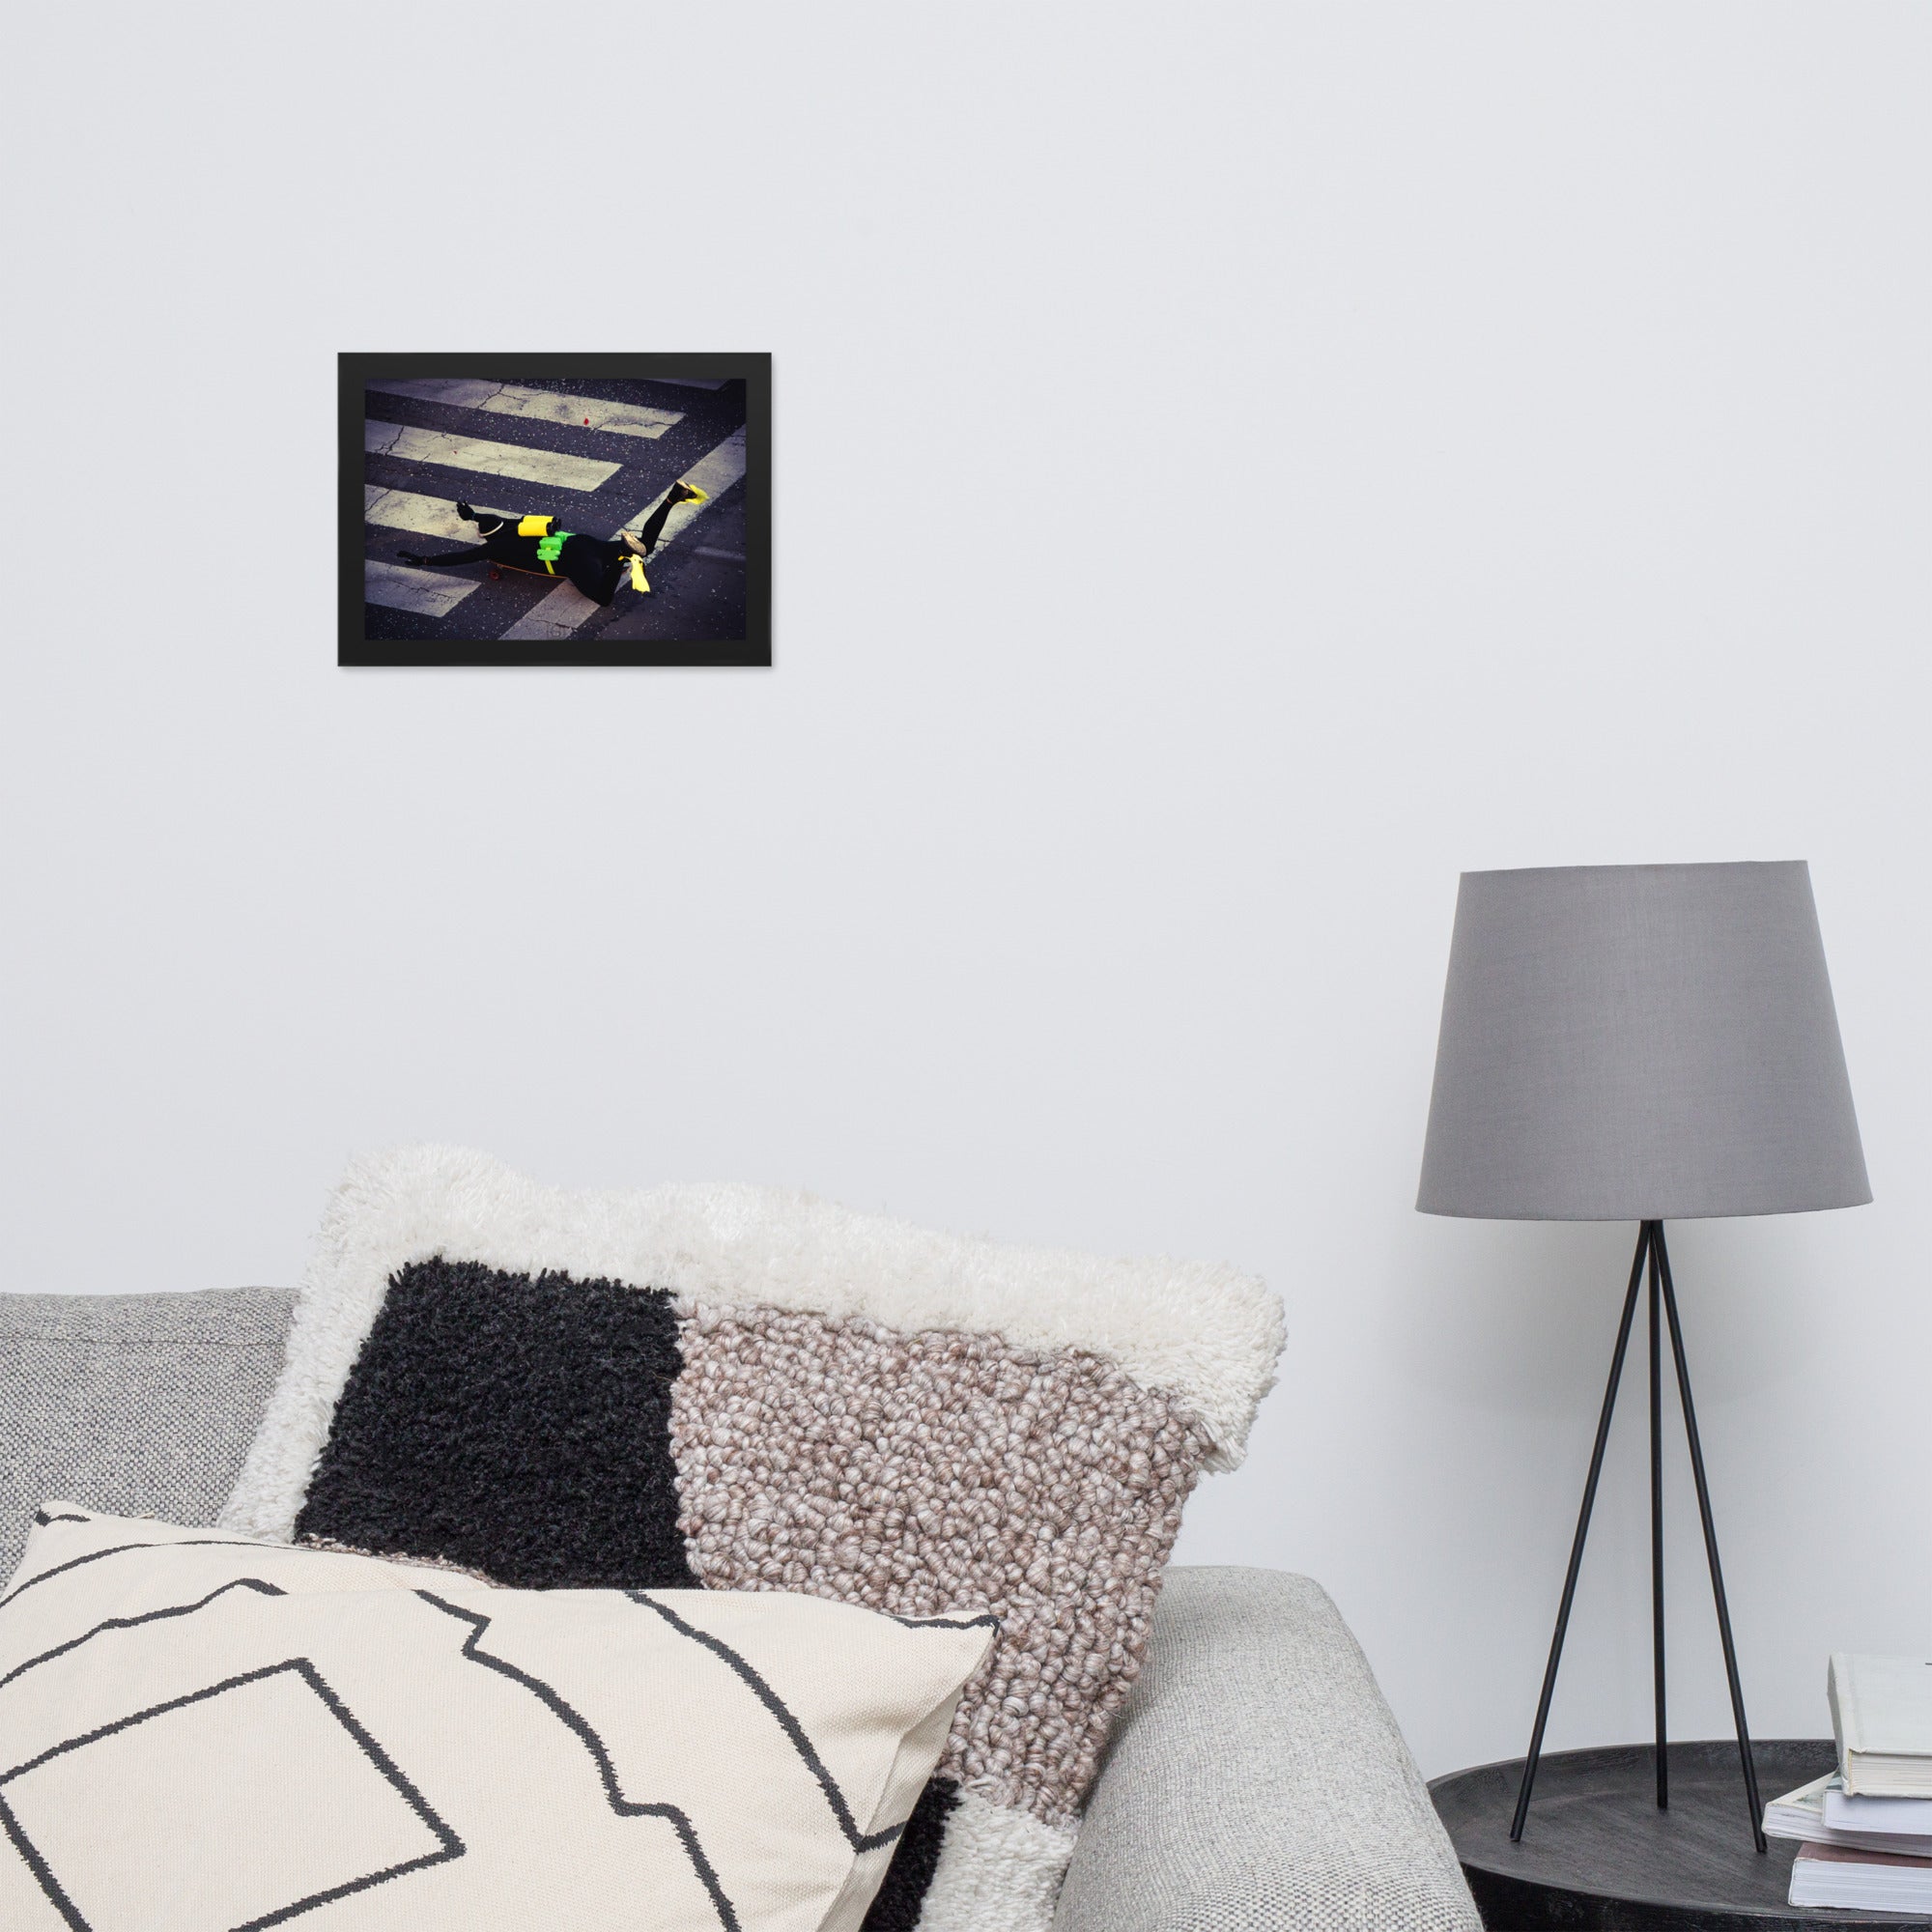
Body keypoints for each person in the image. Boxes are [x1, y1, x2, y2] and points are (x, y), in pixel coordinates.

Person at [396, 482, 707, 606]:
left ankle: (622, 558)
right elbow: (488, 519)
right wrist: (473, 514)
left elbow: (460, 557)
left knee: (603, 598)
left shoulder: (493, 549)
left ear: (486, 539)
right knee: (647, 544)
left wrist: (425, 561)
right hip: (582, 543)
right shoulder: (518, 525)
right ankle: (672, 497)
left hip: (572, 561)